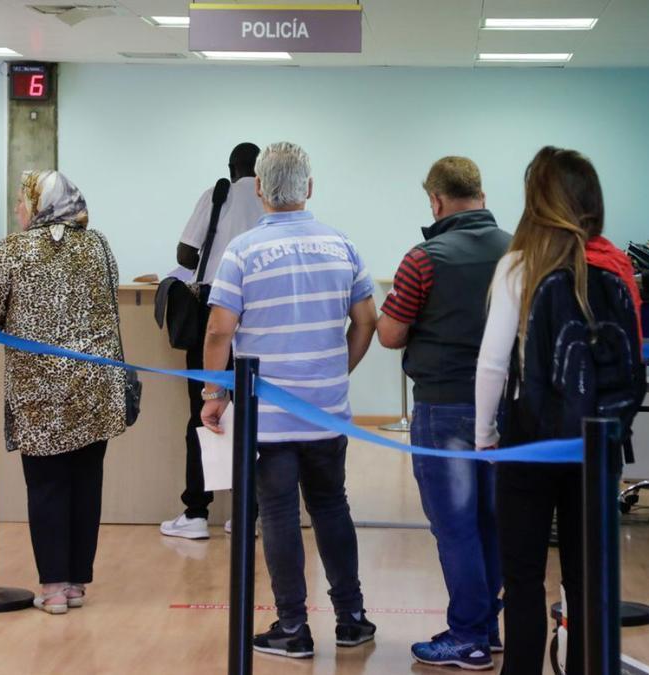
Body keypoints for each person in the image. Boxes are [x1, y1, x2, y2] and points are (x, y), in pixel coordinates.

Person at [199, 142, 378, 659]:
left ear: (259, 190)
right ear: (310, 188)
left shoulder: (243, 252)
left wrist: (214, 393)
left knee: (277, 515)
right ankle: (351, 619)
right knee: (331, 507)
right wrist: (337, 370)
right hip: (325, 411)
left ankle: (293, 627)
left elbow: (218, 329)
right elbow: (367, 320)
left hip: (269, 415)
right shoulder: (341, 244)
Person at [475, 147, 644, 674]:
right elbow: (630, 358)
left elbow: (493, 364)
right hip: (597, 442)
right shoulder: (617, 266)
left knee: (523, 575)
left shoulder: (520, 265)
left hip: (531, 437)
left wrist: (484, 435)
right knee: (587, 576)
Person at [377, 157, 511, 670]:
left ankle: (469, 637)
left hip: (444, 406)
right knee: (494, 521)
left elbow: (390, 335)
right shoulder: (519, 252)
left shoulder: (424, 259)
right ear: (479, 192)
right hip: (507, 408)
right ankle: (488, 624)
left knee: (455, 525)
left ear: (435, 200)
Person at [0, 170, 128, 615]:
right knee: (86, 482)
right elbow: (110, 296)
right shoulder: (97, 245)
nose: (19, 211)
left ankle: (54, 588)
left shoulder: (15, 249)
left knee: (46, 485)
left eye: (23, 203)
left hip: (39, 390)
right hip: (96, 385)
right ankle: (77, 581)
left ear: (38, 206)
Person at [161, 142, 265, 540]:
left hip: (213, 308)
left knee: (204, 412)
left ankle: (196, 513)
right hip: (258, 317)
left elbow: (187, 256)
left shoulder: (217, 194)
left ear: (231, 167)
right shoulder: (270, 201)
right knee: (251, 416)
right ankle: (248, 514)